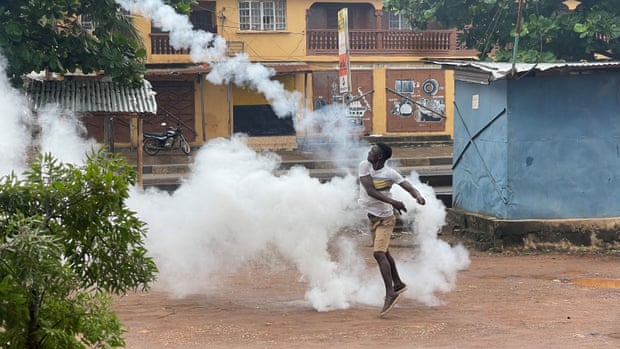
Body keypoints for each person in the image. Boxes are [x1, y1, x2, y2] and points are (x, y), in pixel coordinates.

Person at [358, 143, 426, 317]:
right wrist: (394, 202)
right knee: (385, 254)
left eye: (373, 151)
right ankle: (398, 284)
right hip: (372, 218)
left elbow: (407, 186)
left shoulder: (389, 174)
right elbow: (370, 190)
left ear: (379, 157)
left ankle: (390, 293)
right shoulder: (364, 166)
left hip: (386, 220)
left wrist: (417, 195)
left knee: (379, 254)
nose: (369, 152)